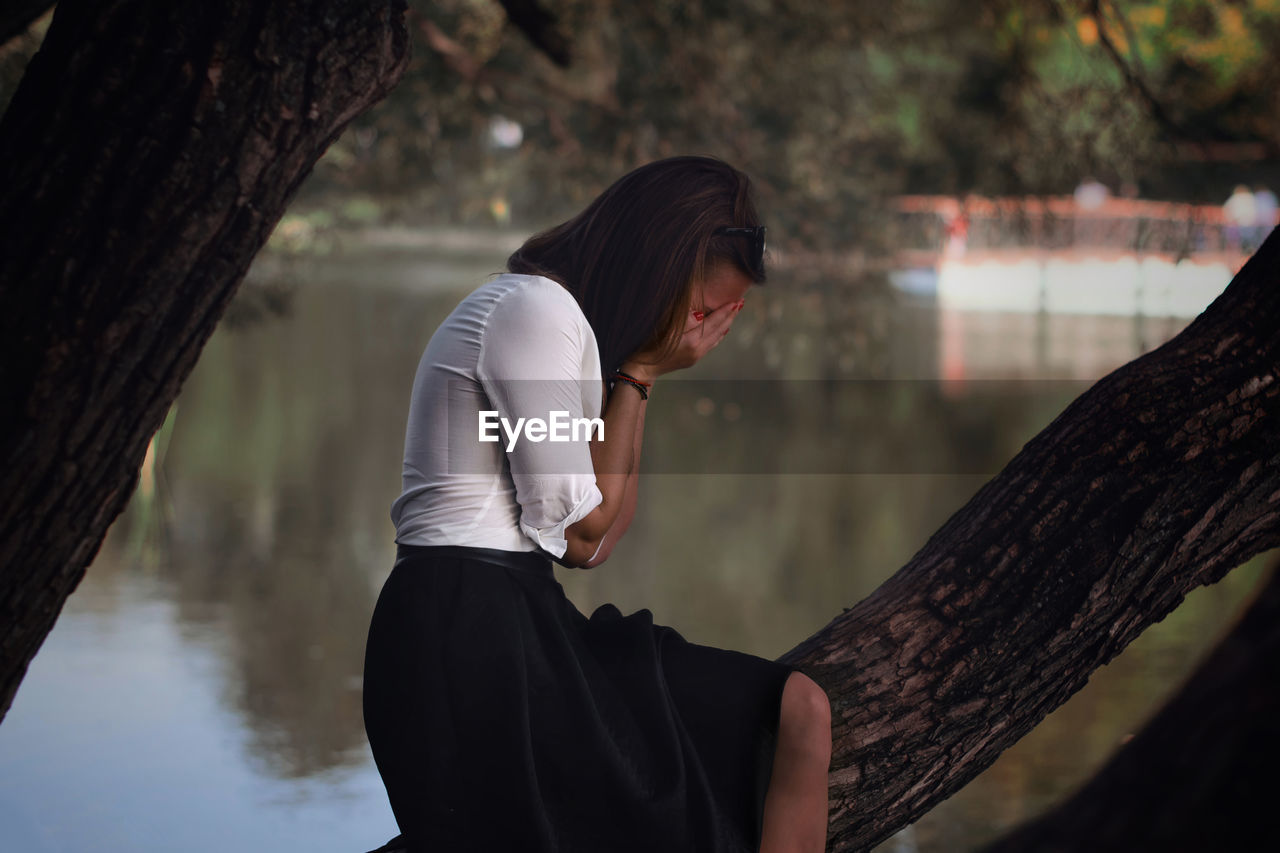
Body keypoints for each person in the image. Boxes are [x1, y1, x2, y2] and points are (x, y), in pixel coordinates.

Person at [362, 156, 833, 853]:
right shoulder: (533, 314)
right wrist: (641, 373)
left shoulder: (574, 337)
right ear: (658, 263)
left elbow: (598, 540)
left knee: (799, 708)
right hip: (463, 627)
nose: (702, 329)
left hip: (526, 619)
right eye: (701, 309)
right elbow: (584, 534)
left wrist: (640, 376)